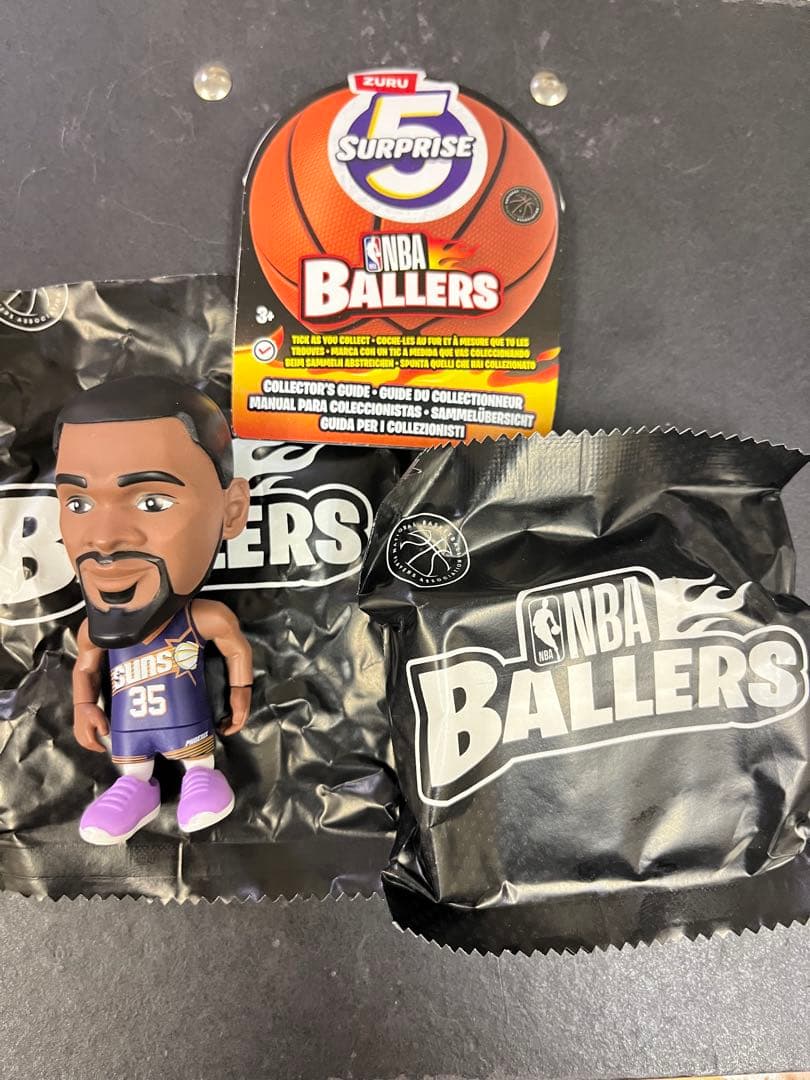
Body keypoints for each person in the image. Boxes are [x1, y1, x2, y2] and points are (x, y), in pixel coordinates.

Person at [54, 375, 252, 844]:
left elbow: (235, 648)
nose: (103, 539)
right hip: (130, 739)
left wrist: (240, 693)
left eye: (152, 501)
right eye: (78, 503)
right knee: (133, 771)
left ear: (231, 511)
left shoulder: (203, 618)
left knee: (196, 764)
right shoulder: (91, 632)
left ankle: (201, 779)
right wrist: (83, 706)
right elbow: (85, 669)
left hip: (190, 732)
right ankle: (132, 790)